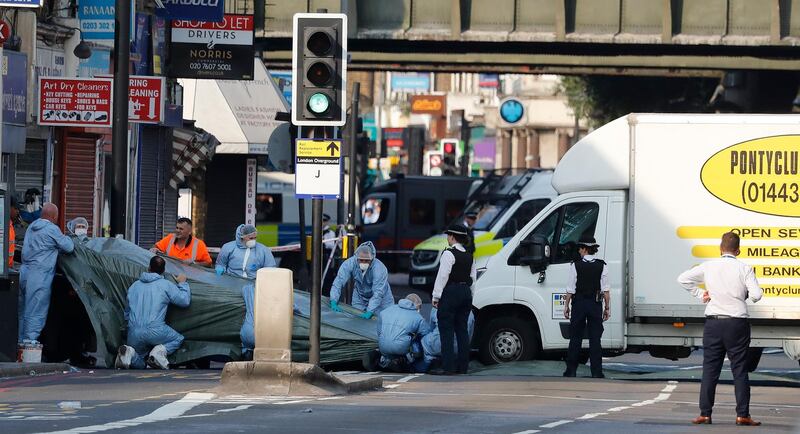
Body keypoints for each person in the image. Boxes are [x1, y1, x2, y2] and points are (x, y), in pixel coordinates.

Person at [678, 232, 763, 426]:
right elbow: (757, 296)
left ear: (720, 248)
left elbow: (683, 279)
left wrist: (701, 294)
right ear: (738, 250)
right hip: (737, 323)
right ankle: (742, 415)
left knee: (710, 369)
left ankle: (705, 414)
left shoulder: (709, 266)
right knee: (739, 369)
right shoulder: (745, 268)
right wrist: (747, 293)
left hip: (713, 323)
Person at [116, 256, 191, 370]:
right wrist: (183, 283)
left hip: (134, 331)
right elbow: (184, 301)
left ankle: (130, 353)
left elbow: (127, 312)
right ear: (164, 271)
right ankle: (158, 353)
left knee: (139, 360)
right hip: (156, 330)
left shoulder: (134, 286)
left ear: (149, 267)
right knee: (177, 339)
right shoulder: (166, 285)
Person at [18, 203, 74, 344]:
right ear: (54, 216)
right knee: (36, 311)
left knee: (23, 311)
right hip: (39, 276)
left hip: (24, 273)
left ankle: (19, 343)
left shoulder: (32, 227)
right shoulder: (52, 229)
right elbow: (69, 247)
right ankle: (29, 344)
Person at [430, 224, 476, 375]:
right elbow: (473, 279)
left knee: (446, 330)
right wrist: (470, 296)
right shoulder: (470, 256)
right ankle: (463, 367)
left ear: (452, 237)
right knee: (462, 331)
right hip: (465, 293)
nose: (447, 238)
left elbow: (443, 276)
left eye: (448, 235)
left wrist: (436, 296)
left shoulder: (448, 254)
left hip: (450, 292)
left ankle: (448, 367)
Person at [563, 236, 610, 379]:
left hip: (579, 304)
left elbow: (570, 289)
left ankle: (571, 371)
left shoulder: (575, 265)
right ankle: (597, 372)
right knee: (595, 339)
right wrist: (607, 308)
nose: (579, 251)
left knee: (575, 338)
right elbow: (606, 291)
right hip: (595, 304)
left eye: (580, 248)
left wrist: (566, 306)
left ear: (584, 249)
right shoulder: (602, 265)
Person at [329, 241, 394, 318]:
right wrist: (333, 300)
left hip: (382, 301)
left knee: (383, 322)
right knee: (356, 320)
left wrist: (369, 311)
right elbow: (339, 281)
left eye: (367, 260)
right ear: (357, 258)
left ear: (372, 259)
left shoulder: (379, 269)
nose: (364, 262)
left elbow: (378, 293)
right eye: (361, 260)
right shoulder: (351, 263)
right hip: (360, 297)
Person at [372, 294, 429, 371]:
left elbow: (379, 332)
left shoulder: (386, 311)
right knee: (419, 339)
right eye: (419, 308)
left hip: (383, 347)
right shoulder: (418, 317)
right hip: (402, 349)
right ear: (415, 305)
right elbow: (426, 335)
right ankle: (408, 362)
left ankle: (385, 361)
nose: (419, 310)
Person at [419, 307, 475, 373]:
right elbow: (469, 335)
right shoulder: (469, 312)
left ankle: (430, 364)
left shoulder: (437, 307)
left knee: (425, 342)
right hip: (460, 347)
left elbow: (431, 329)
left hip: (441, 344)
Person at [8, 197, 18, 268]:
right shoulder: (5, 226)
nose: (18, 211)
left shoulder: (10, 225)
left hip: (8, 267)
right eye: (16, 208)